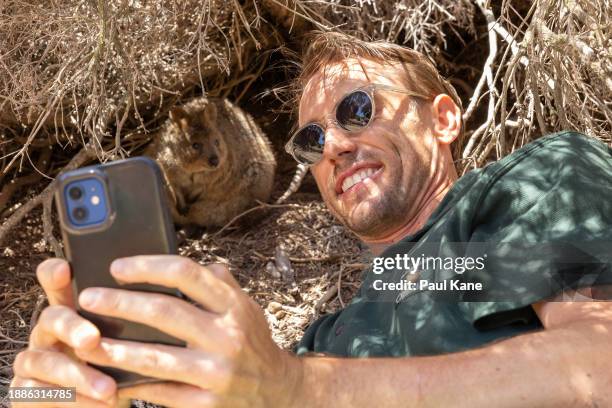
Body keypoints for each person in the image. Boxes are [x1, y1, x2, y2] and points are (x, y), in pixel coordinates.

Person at [10, 32, 612, 407]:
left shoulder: (529, 187)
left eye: (357, 110)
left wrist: (299, 390)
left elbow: (598, 365)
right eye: (310, 139)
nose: (332, 148)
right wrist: (67, 393)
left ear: (443, 120)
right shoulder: (327, 340)